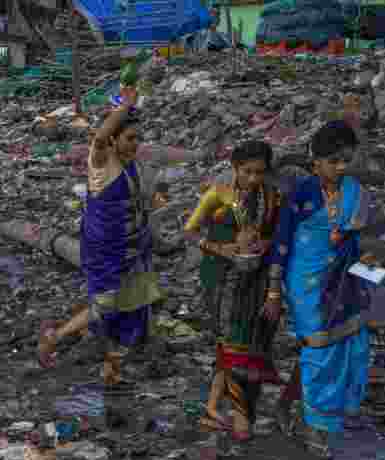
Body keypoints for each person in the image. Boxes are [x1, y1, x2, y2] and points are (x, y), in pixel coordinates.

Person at [273, 121, 378, 451]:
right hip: (307, 282)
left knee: (352, 343)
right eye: (334, 161)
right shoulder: (300, 194)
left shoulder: (356, 193)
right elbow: (281, 242)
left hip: (348, 278)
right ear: (315, 160)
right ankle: (315, 422)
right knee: (319, 348)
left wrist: (371, 267)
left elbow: (377, 236)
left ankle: (329, 412)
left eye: (346, 160)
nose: (341, 168)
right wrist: (274, 291)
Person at [182, 141, 290, 441]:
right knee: (231, 343)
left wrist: (265, 246)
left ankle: (217, 408)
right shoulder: (218, 194)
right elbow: (190, 232)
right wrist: (221, 248)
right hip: (222, 279)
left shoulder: (272, 198)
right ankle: (240, 413)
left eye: (260, 172)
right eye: (247, 172)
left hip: (258, 278)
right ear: (235, 169)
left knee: (253, 341)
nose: (254, 179)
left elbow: (279, 238)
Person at [67, 89, 164, 385]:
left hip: (132, 247)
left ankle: (115, 360)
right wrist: (125, 106)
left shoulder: (132, 165)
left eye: (138, 138)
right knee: (105, 304)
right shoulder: (101, 163)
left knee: (133, 301)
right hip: (106, 250)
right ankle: (56, 336)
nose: (135, 144)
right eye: (129, 138)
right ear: (114, 138)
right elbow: (99, 138)